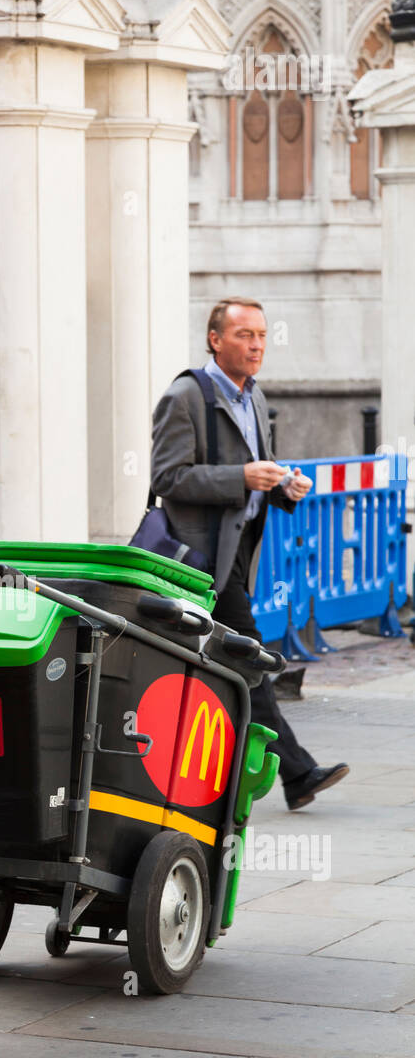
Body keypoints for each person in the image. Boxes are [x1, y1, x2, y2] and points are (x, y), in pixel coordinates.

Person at [150, 297, 349, 811]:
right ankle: (295, 772)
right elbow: (167, 478)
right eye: (244, 335)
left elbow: (259, 470)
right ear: (216, 340)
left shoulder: (254, 397)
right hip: (198, 559)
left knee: (220, 666)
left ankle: (206, 773)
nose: (257, 344)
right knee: (249, 660)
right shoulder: (185, 395)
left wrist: (283, 485)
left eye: (261, 335)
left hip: (238, 555)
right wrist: (240, 478)